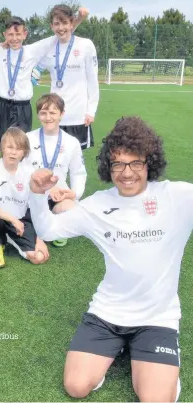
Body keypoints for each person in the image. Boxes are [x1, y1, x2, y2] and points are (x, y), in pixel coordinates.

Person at [29, 116, 191, 402]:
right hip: (108, 313)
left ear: (148, 163)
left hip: (157, 318)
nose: (127, 173)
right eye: (118, 164)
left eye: (135, 163)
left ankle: (159, 372)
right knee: (76, 387)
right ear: (109, 166)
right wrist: (37, 194)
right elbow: (47, 229)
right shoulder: (98, 205)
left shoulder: (177, 197)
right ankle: (113, 351)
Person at [0, 11, 88, 150]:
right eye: (10, 35)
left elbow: (59, 34)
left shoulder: (32, 50)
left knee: (21, 147)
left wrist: (78, 19)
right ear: (4, 35)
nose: (14, 38)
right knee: (3, 146)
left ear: (25, 34)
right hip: (2, 107)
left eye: (18, 34)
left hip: (22, 108)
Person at [0, 127, 49, 268]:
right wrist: (12, 219)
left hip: (20, 220)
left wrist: (37, 237)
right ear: (2, 147)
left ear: (25, 153)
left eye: (19, 149)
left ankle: (9, 238)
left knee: (38, 258)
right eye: (10, 147)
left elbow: (36, 207)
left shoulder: (30, 173)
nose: (13, 152)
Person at [26, 93, 86, 247]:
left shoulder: (72, 143)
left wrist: (74, 193)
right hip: (32, 196)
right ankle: (36, 223)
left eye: (53, 113)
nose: (48, 117)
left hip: (59, 196)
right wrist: (45, 190)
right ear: (38, 114)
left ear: (62, 114)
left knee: (74, 212)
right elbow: (20, 169)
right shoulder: (28, 139)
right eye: (43, 113)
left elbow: (78, 172)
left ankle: (54, 221)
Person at [38, 4, 99, 150]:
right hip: (54, 116)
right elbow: (33, 68)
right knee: (53, 158)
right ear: (51, 26)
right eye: (57, 24)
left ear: (72, 23)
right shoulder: (48, 48)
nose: (61, 28)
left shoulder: (85, 45)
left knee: (77, 161)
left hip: (78, 115)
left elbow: (92, 80)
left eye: (65, 23)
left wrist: (91, 110)